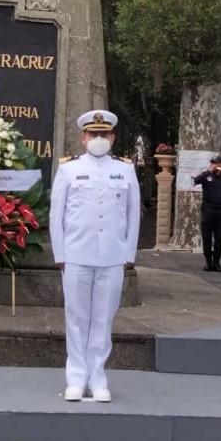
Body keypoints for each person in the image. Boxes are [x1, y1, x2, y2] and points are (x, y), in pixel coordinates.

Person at [49, 110, 140, 402]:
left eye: (104, 135)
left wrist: (129, 252)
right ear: (83, 137)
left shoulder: (125, 170)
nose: (98, 139)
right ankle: (76, 377)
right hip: (76, 253)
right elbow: (57, 214)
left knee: (103, 318)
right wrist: (60, 252)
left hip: (112, 255)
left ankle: (98, 376)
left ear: (112, 137)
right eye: (93, 134)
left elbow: (133, 212)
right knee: (76, 317)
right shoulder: (68, 170)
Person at [193, 155, 221, 272]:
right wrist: (209, 171)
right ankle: (208, 262)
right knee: (207, 236)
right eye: (214, 163)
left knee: (220, 237)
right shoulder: (207, 176)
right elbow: (196, 180)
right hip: (209, 209)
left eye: (218, 164)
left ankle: (217, 262)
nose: (216, 166)